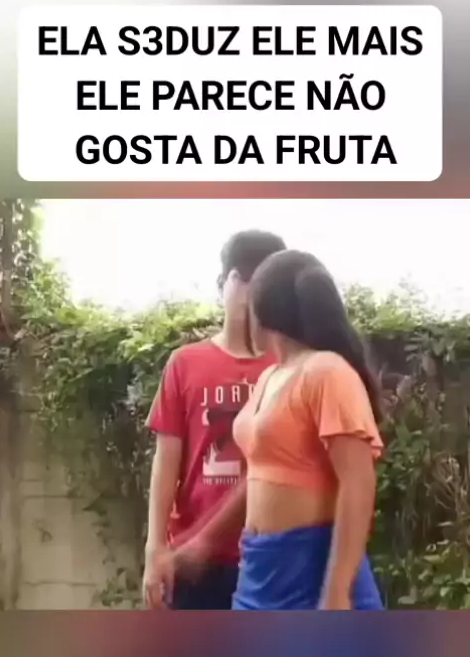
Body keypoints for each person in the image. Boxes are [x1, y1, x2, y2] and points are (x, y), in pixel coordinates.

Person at [230, 249, 384, 610]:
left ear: (264, 307)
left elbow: (358, 482)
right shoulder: (270, 376)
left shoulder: (326, 371)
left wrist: (337, 591)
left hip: (312, 570)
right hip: (260, 569)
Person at [142, 229, 286, 610]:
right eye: (241, 277)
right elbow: (166, 461)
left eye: (262, 281)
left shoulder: (289, 367)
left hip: (266, 556)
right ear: (222, 284)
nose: (249, 292)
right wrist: (155, 547)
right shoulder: (185, 363)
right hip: (192, 557)